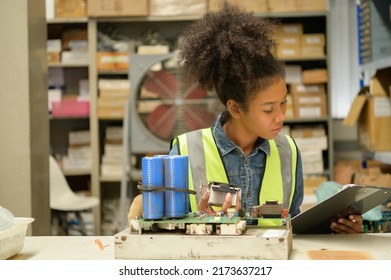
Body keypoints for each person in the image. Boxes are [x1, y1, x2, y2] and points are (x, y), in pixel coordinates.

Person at [167, 1, 363, 234]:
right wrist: (200, 224)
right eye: (268, 109)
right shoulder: (186, 151)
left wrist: (338, 230)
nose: (280, 116)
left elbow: (294, 226)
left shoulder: (287, 150)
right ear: (236, 108)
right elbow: (164, 233)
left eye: (284, 103)